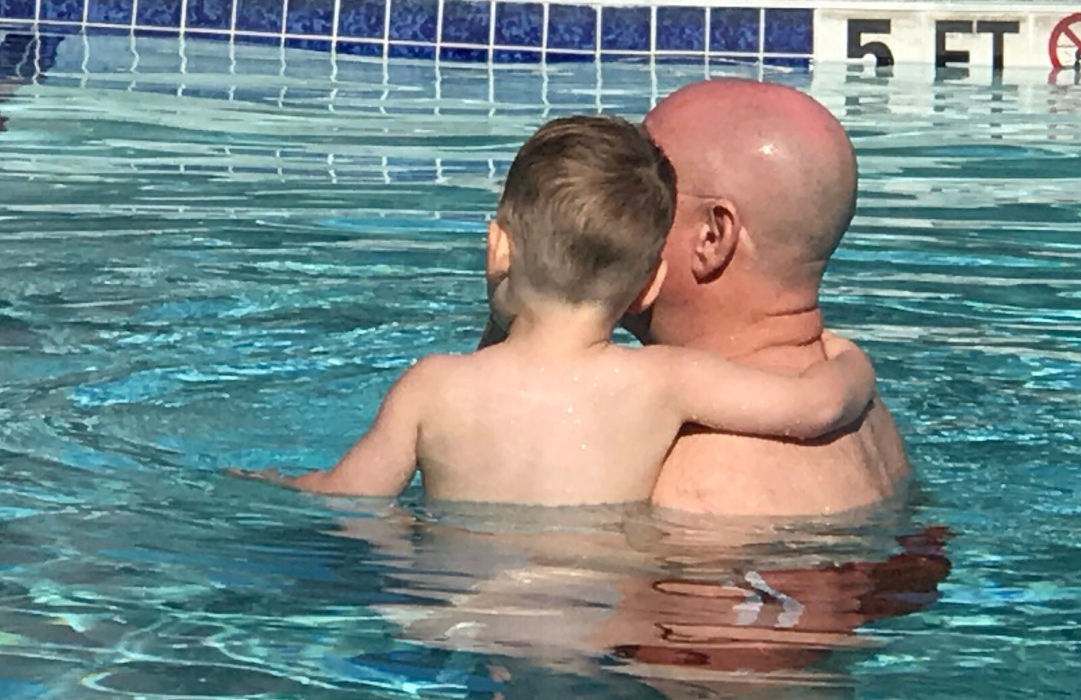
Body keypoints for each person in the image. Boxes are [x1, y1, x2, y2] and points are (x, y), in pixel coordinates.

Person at [232, 114, 877, 506]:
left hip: (451, 611)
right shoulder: (667, 381)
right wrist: (851, 362)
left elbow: (349, 498)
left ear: (498, 248)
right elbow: (815, 408)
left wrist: (267, 482)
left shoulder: (431, 385)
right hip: (588, 620)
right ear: (650, 282)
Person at [637, 78, 911, 516]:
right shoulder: (862, 406)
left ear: (712, 236)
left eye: (639, 194)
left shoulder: (702, 477)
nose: (610, 212)